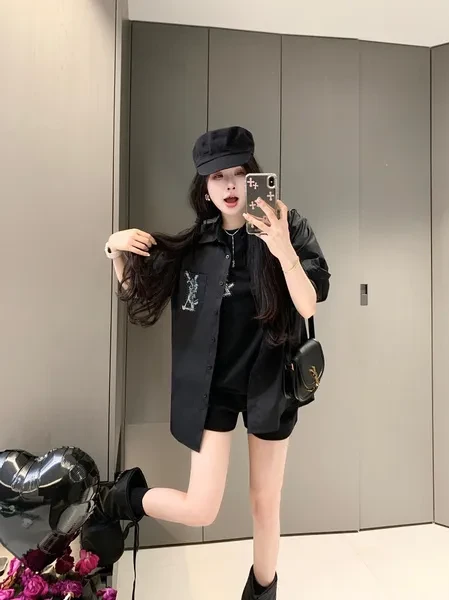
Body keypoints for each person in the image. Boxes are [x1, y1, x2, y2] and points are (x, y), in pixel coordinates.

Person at [88, 126, 330, 599]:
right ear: (204, 188)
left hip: (270, 382)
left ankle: (261, 592)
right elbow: (137, 292)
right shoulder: (196, 245)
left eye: (239, 173)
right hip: (213, 388)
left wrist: (282, 247)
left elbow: (308, 304)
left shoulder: (290, 227)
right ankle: (121, 498)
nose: (230, 185)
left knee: (265, 504)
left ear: (254, 177)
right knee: (201, 508)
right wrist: (113, 249)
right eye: (218, 176)